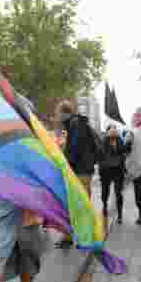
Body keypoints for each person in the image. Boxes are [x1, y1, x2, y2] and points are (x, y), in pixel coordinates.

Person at [55, 101, 100, 247]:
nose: (57, 117)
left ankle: (83, 238)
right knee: (75, 204)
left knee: (79, 205)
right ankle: (70, 237)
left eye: (58, 114)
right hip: (82, 169)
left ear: (63, 113)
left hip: (81, 170)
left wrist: (65, 164)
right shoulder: (75, 124)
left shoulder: (76, 124)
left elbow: (75, 149)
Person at [98, 125, 130, 223]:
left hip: (117, 170)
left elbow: (124, 150)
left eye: (115, 134)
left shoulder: (119, 140)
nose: (113, 135)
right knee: (105, 191)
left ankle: (119, 214)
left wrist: (128, 144)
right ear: (108, 134)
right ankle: (105, 206)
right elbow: (99, 154)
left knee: (118, 192)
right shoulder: (104, 141)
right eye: (111, 133)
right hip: (106, 170)